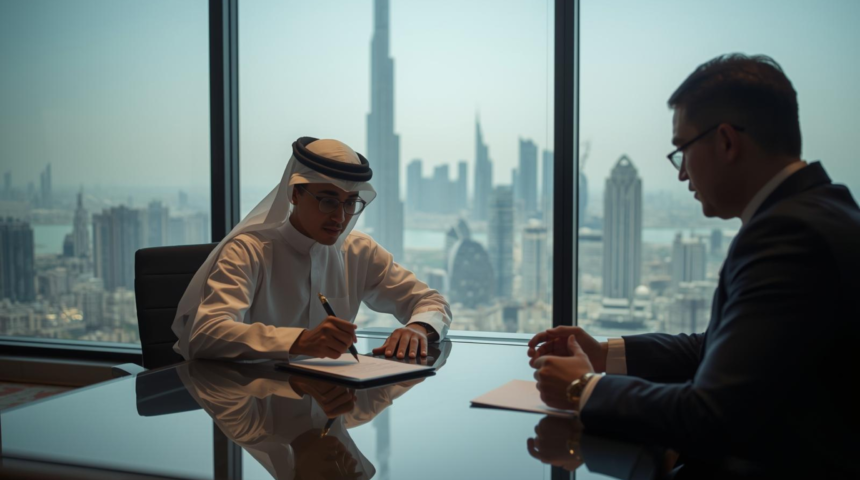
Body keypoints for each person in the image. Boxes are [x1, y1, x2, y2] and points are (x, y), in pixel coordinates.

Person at [528, 54, 860, 473]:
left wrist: (583, 388)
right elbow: (718, 347)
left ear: (726, 141)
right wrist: (603, 355)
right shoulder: (822, 210)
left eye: (682, 150)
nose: (682, 174)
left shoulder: (790, 236)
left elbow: (714, 415)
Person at [172, 137, 451, 361]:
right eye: (328, 201)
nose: (340, 218)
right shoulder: (248, 252)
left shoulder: (358, 251)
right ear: (294, 194)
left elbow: (431, 301)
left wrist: (418, 329)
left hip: (333, 405)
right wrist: (300, 341)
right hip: (255, 411)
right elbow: (206, 334)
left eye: (350, 203)